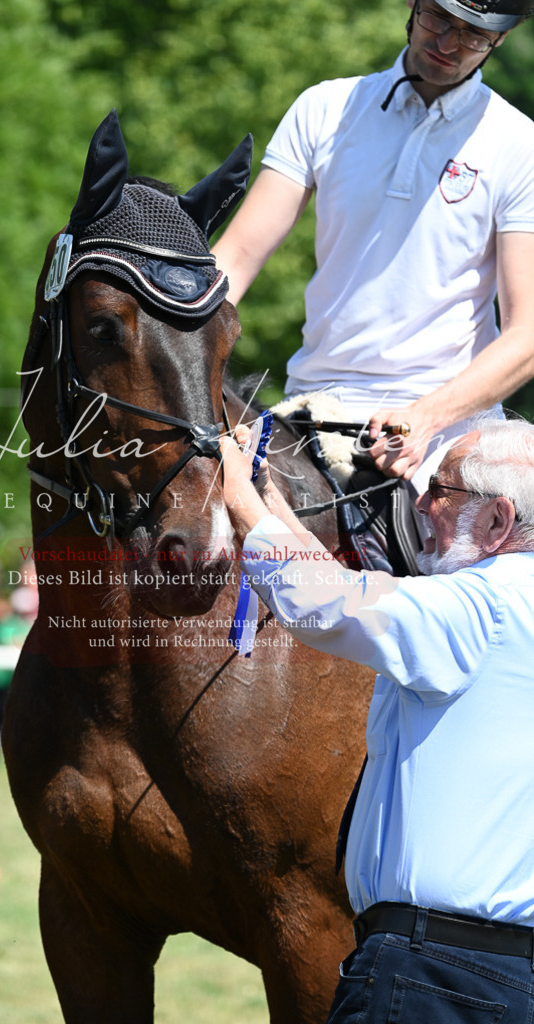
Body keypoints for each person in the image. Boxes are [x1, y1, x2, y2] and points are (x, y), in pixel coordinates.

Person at [219, 416, 534, 1021]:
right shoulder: (500, 607)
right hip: (495, 977)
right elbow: (346, 586)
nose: (418, 499)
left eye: (442, 489)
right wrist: (269, 497)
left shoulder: (481, 607)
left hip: (430, 976)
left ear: (498, 520)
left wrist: (233, 489)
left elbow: (326, 602)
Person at [212, 0, 534, 492]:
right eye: (439, 20)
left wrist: (426, 417)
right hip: (314, 408)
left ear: (501, 40)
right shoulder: (326, 107)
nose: (449, 44)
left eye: (473, 36)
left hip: (445, 428)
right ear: (413, 4)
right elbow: (236, 258)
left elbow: (526, 335)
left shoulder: (518, 144)